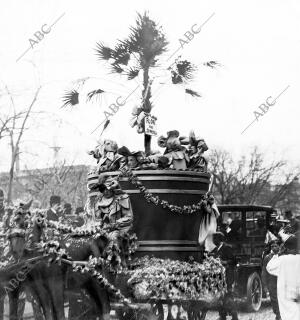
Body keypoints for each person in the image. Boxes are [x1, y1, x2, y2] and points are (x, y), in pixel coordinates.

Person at [267, 236, 300, 320]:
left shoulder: (282, 259)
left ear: (286, 248)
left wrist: (277, 254)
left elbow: (269, 267)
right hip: (298, 295)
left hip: (286, 295)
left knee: (287, 315)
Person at [210, 232, 238, 320]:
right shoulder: (215, 250)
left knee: (229, 296)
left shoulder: (227, 248)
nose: (213, 240)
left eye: (215, 238)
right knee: (220, 297)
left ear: (220, 239)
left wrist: (225, 262)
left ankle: (234, 316)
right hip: (219, 277)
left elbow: (234, 260)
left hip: (228, 276)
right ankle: (222, 316)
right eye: (213, 238)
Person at [262, 240, 281, 320]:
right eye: (272, 246)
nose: (274, 248)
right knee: (274, 299)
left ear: (279, 247)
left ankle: (281, 314)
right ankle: (278, 314)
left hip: (281, 281)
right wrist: (265, 285)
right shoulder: (267, 257)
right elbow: (264, 271)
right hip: (271, 282)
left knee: (281, 298)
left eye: (275, 246)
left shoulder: (282, 256)